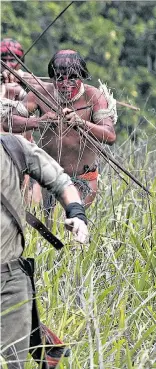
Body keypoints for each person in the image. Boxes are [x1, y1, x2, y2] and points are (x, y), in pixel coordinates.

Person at [1, 131, 89, 368]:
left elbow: (60, 181)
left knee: (12, 364)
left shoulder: (13, 148)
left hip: (10, 282)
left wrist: (77, 215)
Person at [3, 49, 117, 214]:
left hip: (82, 178)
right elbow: (8, 122)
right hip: (49, 176)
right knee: (47, 226)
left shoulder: (93, 97)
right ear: (53, 78)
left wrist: (81, 123)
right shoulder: (41, 93)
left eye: (72, 79)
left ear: (81, 77)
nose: (65, 84)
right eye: (60, 79)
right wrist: (38, 122)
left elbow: (110, 135)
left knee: (68, 220)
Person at [0, 37, 43, 203]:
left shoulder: (29, 81)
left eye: (13, 60)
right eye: (4, 60)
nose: (9, 64)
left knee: (31, 203)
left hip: (25, 149)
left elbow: (44, 90)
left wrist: (22, 81)